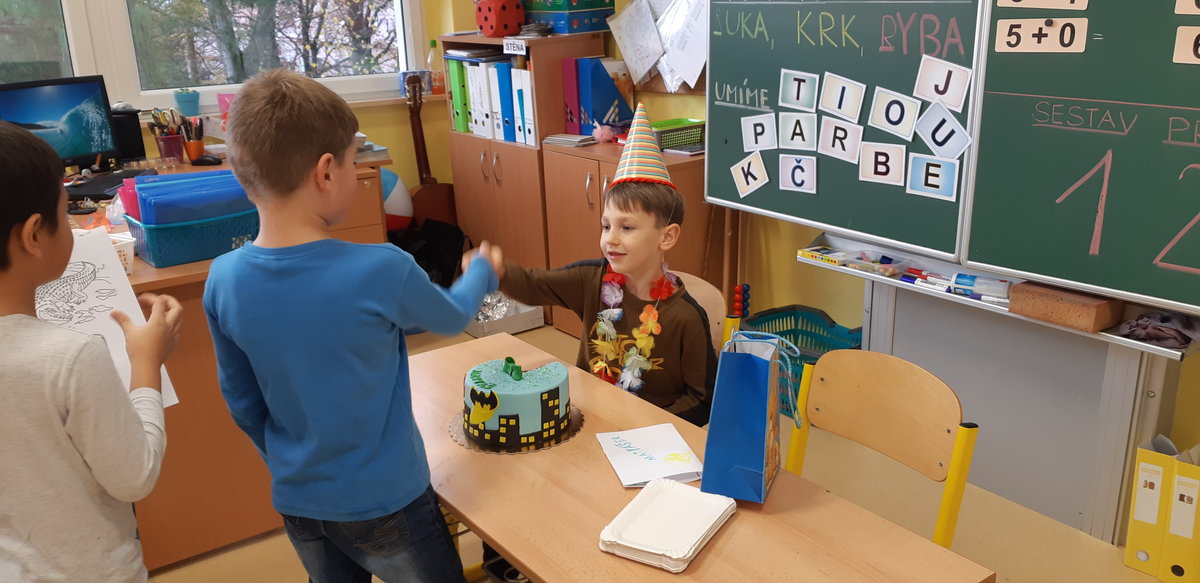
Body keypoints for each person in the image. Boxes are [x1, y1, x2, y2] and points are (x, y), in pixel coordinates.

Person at [203, 69, 500, 583]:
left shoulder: (223, 279)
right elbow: (451, 316)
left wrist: (291, 464)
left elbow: (243, 404)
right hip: (388, 501)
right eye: (353, 160)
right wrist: (479, 273)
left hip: (299, 501)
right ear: (326, 172)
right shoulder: (382, 267)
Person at [0, 121, 182, 582]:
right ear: (33, 235)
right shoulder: (70, 356)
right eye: (66, 215)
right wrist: (147, 363)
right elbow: (135, 476)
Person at [498, 103, 716, 427]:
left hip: (649, 437)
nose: (610, 239)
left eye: (626, 228)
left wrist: (647, 430)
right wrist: (498, 271)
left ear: (667, 236)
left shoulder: (686, 318)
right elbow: (533, 286)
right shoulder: (592, 280)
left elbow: (701, 401)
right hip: (589, 420)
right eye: (606, 226)